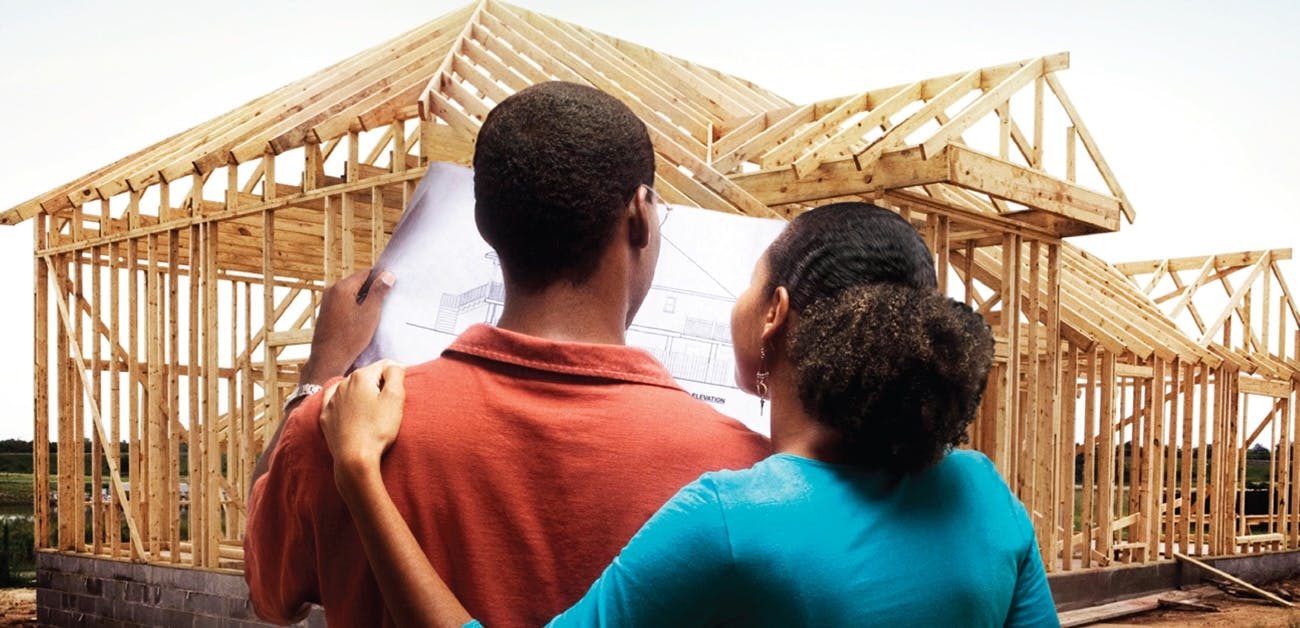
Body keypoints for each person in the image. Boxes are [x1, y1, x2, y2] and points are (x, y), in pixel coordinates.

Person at [322, 202, 1060, 627]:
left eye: (750, 282)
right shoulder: (983, 495)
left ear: (774, 314)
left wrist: (359, 470)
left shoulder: (732, 519)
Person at [243, 82, 771, 627]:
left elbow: (268, 592)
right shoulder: (751, 470)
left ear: (483, 220)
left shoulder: (339, 427)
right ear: (641, 215)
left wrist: (319, 373)